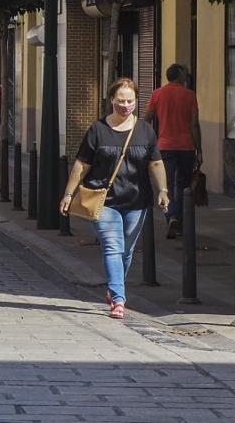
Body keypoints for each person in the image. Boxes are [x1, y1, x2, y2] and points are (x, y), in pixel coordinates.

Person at [60, 77, 167, 319]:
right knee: (112, 246)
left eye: (130, 101)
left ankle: (114, 286)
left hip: (137, 200)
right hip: (104, 200)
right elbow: (81, 164)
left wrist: (163, 190)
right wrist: (69, 193)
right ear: (111, 100)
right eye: (120, 101)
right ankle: (118, 299)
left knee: (126, 251)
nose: (126, 105)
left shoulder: (144, 130)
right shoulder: (98, 130)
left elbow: (156, 162)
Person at [143, 64, 202, 239]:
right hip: (186, 147)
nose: (187, 75)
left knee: (165, 185)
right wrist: (199, 149)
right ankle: (179, 221)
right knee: (183, 186)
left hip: (164, 146)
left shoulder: (157, 94)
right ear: (179, 75)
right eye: (185, 72)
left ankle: (171, 216)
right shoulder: (190, 95)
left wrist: (149, 141)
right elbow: (194, 124)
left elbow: (147, 119)